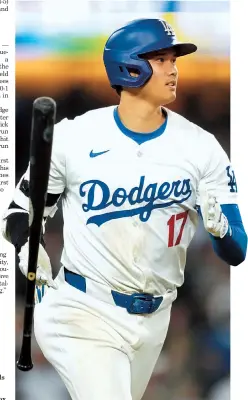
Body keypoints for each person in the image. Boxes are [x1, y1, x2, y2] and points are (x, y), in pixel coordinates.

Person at [3, 18, 247, 400]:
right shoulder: (75, 137)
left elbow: (237, 250)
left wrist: (220, 231)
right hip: (82, 309)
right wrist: (23, 247)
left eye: (173, 59)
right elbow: (20, 211)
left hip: (155, 318)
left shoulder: (201, 147)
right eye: (162, 59)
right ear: (129, 67)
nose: (173, 69)